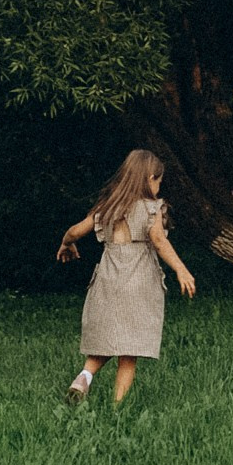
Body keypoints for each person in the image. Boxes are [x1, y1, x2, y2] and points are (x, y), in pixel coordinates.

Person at [57, 147, 196, 404]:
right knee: (128, 351)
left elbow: (75, 232)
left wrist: (66, 243)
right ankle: (118, 409)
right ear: (149, 179)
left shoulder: (107, 206)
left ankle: (83, 377)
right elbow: (157, 240)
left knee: (107, 340)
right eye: (158, 181)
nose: (159, 187)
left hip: (108, 281)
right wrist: (181, 268)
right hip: (138, 283)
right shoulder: (152, 208)